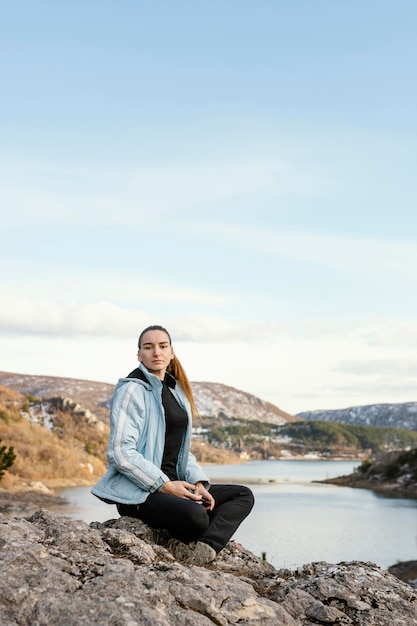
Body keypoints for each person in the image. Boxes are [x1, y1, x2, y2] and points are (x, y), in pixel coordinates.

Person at [91, 324, 254, 564]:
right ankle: (200, 534)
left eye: (162, 346)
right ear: (140, 355)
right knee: (197, 516)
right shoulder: (132, 390)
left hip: (177, 487)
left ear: (171, 352)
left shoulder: (177, 392)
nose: (156, 352)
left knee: (242, 495)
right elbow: (121, 452)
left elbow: (182, 451)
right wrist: (164, 485)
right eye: (148, 347)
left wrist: (198, 484)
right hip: (141, 492)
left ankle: (202, 550)